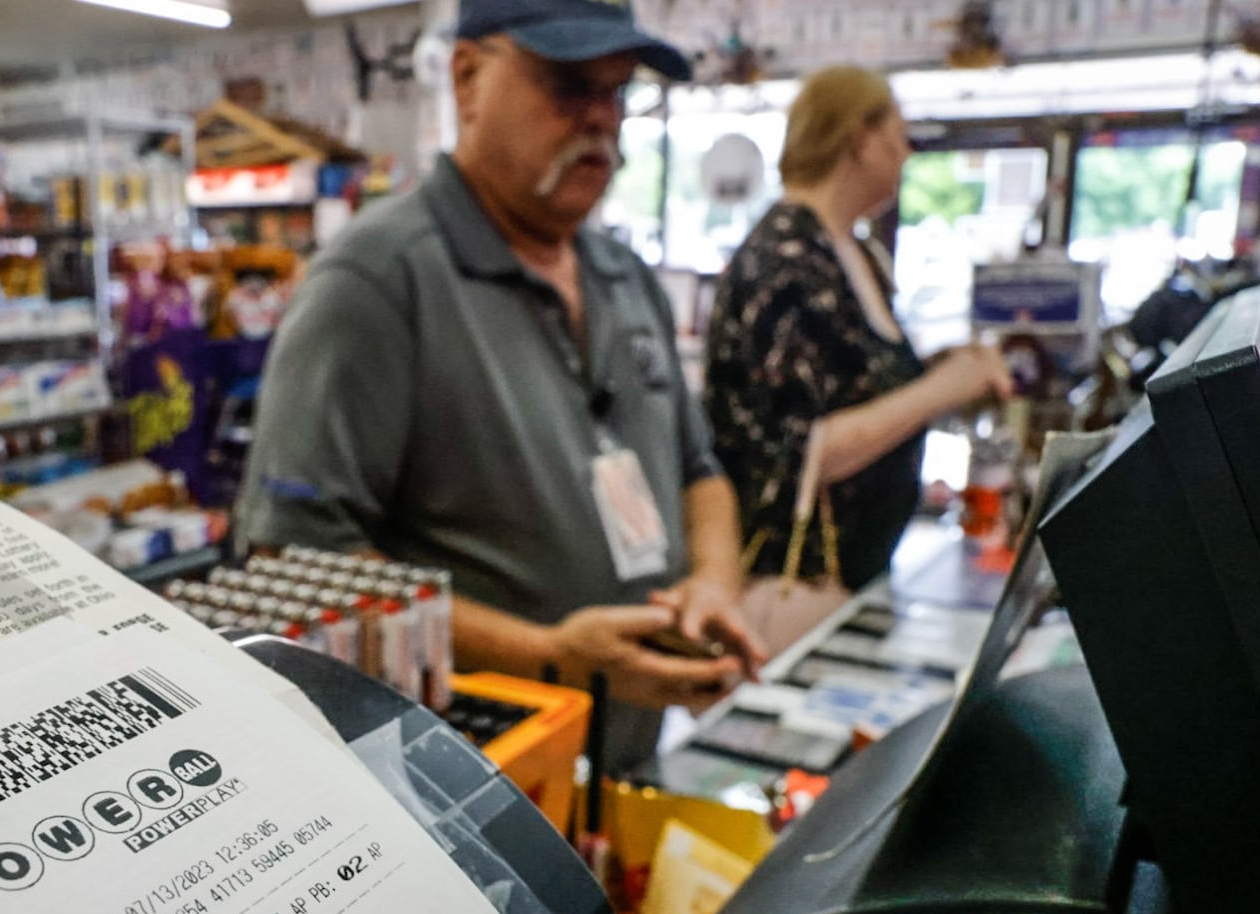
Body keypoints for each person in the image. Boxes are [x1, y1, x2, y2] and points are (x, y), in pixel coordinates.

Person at [237, 0, 764, 772]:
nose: (600, 120)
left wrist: (715, 586)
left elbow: (698, 470)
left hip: (627, 760)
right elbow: (294, 563)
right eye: (568, 85)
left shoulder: (626, 278)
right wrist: (547, 654)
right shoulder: (376, 282)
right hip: (472, 790)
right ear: (468, 79)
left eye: (616, 92)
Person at [705, 65, 1013, 594]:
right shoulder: (785, 259)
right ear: (859, 138)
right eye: (898, 137)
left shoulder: (852, 251)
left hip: (859, 569)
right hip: (798, 578)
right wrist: (941, 390)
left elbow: (861, 388)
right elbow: (794, 452)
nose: (906, 154)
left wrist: (951, 369)